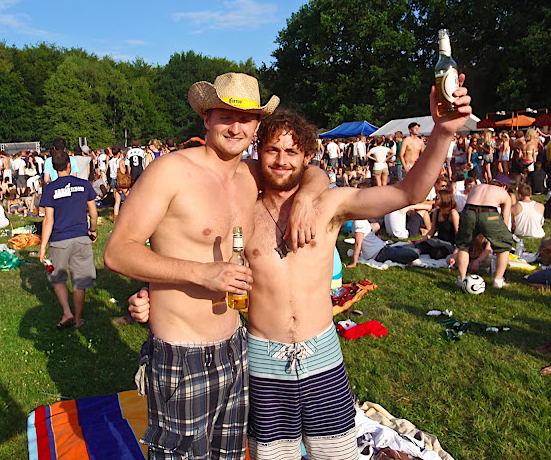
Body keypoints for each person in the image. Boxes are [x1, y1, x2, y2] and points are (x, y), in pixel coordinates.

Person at [127, 77, 472, 459]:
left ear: (307, 157)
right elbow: (184, 247)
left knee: (336, 454)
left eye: (292, 152)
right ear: (258, 150)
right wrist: (153, 292)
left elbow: (409, 192)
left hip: (322, 353)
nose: (281, 160)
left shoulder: (330, 206)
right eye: (273, 150)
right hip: (262, 361)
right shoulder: (242, 206)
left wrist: (443, 132)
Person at [104, 72, 327, 459]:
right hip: (182, 353)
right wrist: (200, 272)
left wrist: (306, 198)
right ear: (206, 118)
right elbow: (118, 252)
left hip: (236, 348)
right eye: (226, 116)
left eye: (246, 118)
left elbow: (311, 172)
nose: (236, 127)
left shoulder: (251, 174)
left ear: (256, 126)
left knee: (231, 455)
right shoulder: (171, 171)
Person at [39, 150, 97, 330]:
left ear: (54, 168)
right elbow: (93, 213)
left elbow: (48, 219)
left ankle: (67, 312)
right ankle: (78, 319)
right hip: (81, 237)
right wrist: (92, 230)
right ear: (69, 165)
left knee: (57, 277)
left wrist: (42, 247)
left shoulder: (49, 189)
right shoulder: (84, 185)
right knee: (80, 280)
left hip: (59, 240)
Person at [454, 182, 513, 289]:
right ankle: (498, 280)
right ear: (504, 187)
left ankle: (461, 279)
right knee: (504, 246)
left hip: (469, 211)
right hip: (489, 213)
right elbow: (505, 220)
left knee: (463, 245)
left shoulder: (477, 187)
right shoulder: (504, 193)